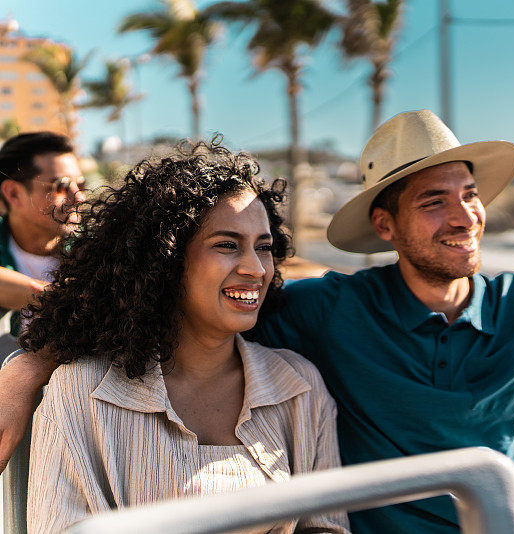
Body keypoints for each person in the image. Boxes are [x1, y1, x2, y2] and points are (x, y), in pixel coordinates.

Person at [1, 111, 514, 534]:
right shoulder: (327, 311)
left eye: (470, 193)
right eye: (434, 200)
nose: (465, 214)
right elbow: (182, 299)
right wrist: (31, 363)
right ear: (385, 227)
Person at [20, 143, 349, 533]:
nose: (256, 268)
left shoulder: (299, 386)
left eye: (264, 247)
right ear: (164, 259)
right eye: (227, 245)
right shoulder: (83, 391)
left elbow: (326, 528)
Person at [0, 132, 84, 338]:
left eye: (81, 185)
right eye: (61, 187)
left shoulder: (98, 252)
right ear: (13, 193)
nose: (79, 198)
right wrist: (59, 297)